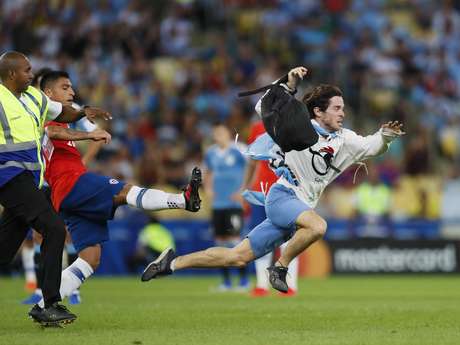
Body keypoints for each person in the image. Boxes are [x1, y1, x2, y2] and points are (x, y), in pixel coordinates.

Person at [140, 66, 405, 293]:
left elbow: (372, 147)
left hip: (299, 205)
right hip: (282, 197)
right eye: (336, 108)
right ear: (318, 111)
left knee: (237, 257)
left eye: (343, 108)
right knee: (318, 227)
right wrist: (289, 83)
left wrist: (385, 136)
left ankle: (172, 263)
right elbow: (264, 105)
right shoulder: (294, 125)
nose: (342, 113)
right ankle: (279, 268)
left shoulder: (345, 139)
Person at [33, 70, 202, 309]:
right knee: (124, 192)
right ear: (48, 92)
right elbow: (52, 132)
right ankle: (183, 200)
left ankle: (43, 306)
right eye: (64, 87)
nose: (71, 91)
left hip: (68, 189)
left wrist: (87, 140)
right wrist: (89, 135)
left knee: (90, 258)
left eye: (71, 87)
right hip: (70, 184)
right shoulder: (44, 112)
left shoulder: (63, 117)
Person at [0, 51, 110, 326]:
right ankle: (49, 304)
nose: (31, 74)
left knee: (3, 252)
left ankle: (47, 303)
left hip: (29, 181)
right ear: (11, 74)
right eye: (26, 70)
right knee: (53, 227)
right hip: (9, 177)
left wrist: (84, 112)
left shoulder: (36, 98)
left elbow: (64, 113)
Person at [243, 119, 298, 297]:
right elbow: (252, 161)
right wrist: (246, 188)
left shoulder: (295, 125)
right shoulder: (257, 127)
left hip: (286, 190)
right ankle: (261, 284)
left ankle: (290, 284)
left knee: (289, 239)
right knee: (260, 238)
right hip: (261, 191)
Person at [203, 123, 248, 291]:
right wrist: (207, 188)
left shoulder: (239, 149)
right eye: (216, 133)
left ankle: (244, 281)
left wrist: (243, 190)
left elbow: (251, 168)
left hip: (234, 203)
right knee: (220, 242)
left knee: (236, 241)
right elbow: (207, 171)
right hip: (218, 204)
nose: (218, 136)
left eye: (221, 133)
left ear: (228, 134)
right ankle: (226, 282)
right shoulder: (211, 153)